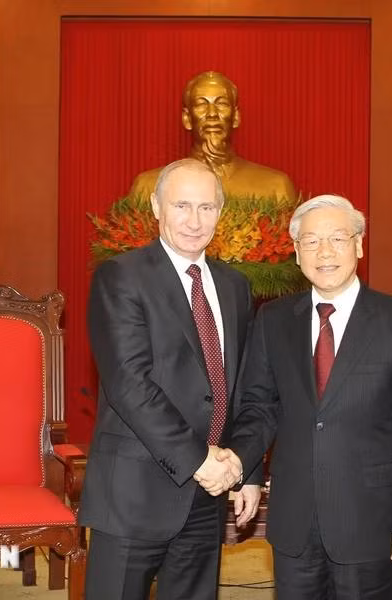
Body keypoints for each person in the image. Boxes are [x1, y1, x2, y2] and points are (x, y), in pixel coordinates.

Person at [224, 195, 392, 599]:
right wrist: (249, 474)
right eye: (311, 241)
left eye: (337, 239)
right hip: (294, 515)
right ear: (296, 252)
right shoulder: (272, 320)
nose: (324, 252)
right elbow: (258, 404)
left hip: (369, 517)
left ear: (359, 245)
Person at [79, 158, 261, 600]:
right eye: (182, 205)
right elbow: (129, 383)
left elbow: (241, 385)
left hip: (209, 492)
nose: (195, 221)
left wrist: (246, 468)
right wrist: (200, 460)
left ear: (221, 212)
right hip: (135, 491)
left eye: (206, 207)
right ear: (157, 208)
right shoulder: (121, 277)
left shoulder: (235, 286)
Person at [129, 70, 297, 202]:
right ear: (187, 118)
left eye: (221, 104)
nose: (212, 114)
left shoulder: (276, 187)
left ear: (236, 117)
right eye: (201, 104)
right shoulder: (148, 187)